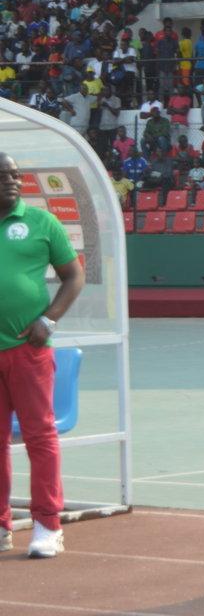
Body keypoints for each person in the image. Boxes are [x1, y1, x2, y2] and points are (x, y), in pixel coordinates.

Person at [0, 153, 85, 558]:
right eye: (3, 176)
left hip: (28, 349)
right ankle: (1, 526)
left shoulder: (40, 222)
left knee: (40, 436)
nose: (12, 181)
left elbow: (74, 276)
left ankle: (47, 526)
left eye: (15, 175)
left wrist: (49, 320)